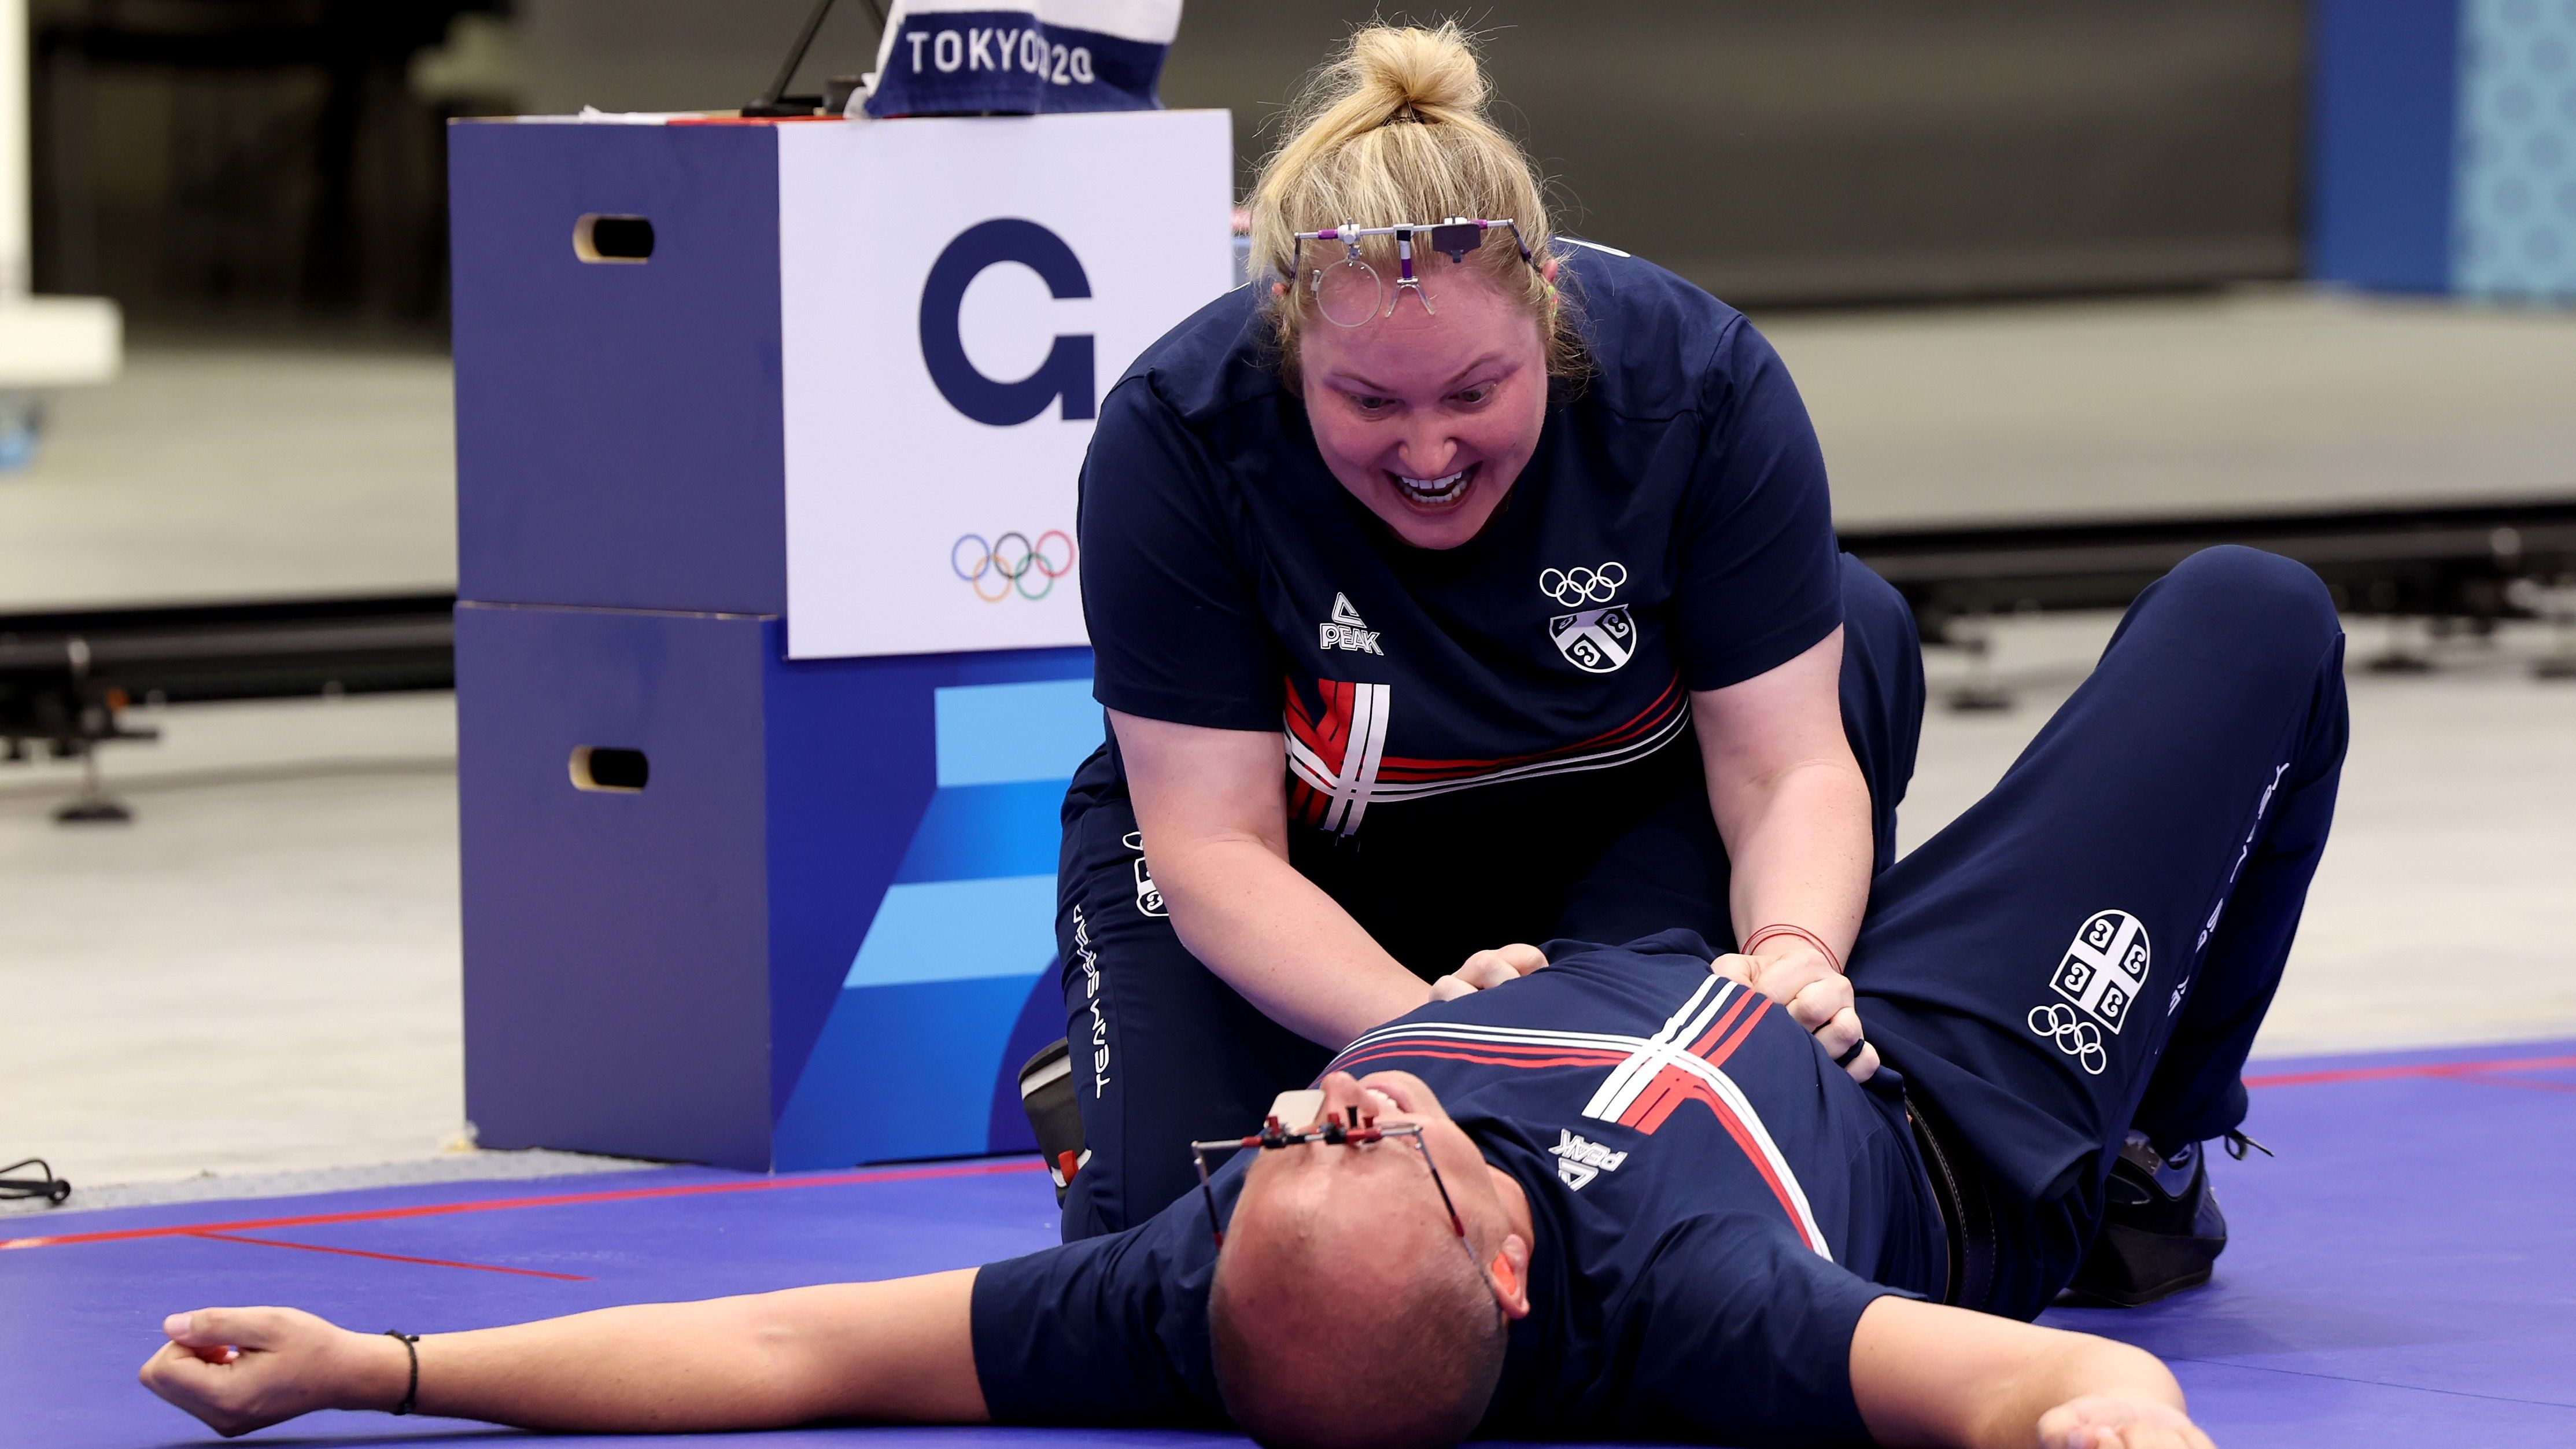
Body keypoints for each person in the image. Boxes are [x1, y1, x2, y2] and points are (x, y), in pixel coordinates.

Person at [141, 547, 2343, 1449]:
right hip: (1935, 1085)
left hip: (1657, 961)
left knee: (1820, 626)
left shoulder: (1215, 1273)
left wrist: (386, 1358)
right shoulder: (1694, 1293)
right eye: (1361, 1126)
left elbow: (790, 1346)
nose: (1311, 1112)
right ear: (1504, 1251)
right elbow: (2034, 1398)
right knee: (2252, 618)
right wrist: (2102, 1416)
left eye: (1297, 1134)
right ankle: (2153, 1137)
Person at [1047, 20, 1924, 1240]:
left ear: (1549, 310)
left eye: (1473, 392)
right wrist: (1437, 1031)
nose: (1426, 450)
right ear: (1290, 335)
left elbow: (1783, 764)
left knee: (1607, 1199)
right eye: (1366, 400)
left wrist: (1789, 954)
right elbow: (1215, 849)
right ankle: (1125, 1086)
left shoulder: (1700, 382)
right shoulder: (1176, 435)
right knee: (1193, 1251)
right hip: (1307, 869)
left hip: (1603, 833)